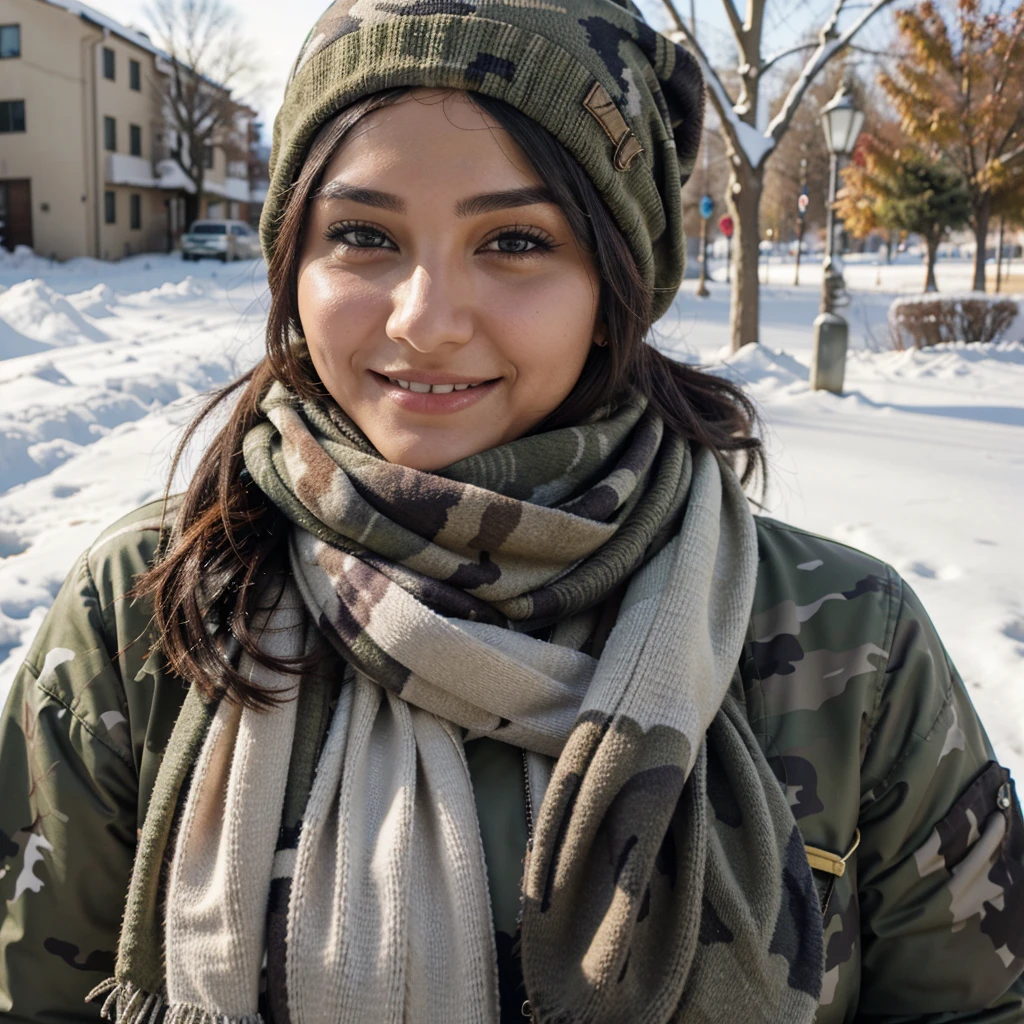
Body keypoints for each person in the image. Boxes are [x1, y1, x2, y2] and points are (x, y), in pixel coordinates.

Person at [1, 0, 1022, 1021]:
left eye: (516, 241)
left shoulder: (846, 640)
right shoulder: (146, 610)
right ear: (291, 264)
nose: (427, 320)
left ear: (618, 280)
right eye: (362, 234)